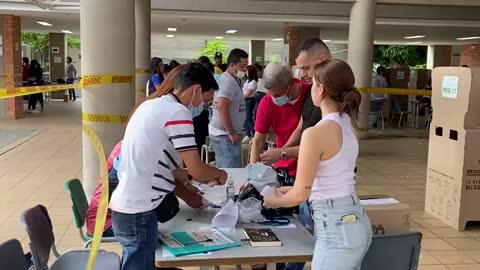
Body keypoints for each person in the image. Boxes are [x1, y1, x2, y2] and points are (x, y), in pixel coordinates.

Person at [110, 62, 228, 270]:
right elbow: (197, 169)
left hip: (126, 210)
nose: (203, 107)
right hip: (138, 213)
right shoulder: (177, 112)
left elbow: (159, 166)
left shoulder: (151, 105)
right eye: (206, 101)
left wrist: (190, 177)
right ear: (196, 90)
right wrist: (219, 174)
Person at [264, 59, 372, 270]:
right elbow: (330, 180)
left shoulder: (315, 133)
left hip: (336, 229)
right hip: (354, 219)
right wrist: (286, 190)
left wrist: (271, 200)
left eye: (313, 83)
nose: (310, 88)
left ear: (321, 89)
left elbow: (301, 195)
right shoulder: (348, 124)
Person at [88, 66, 188, 238]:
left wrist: (190, 179)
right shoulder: (140, 145)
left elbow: (166, 171)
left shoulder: (142, 135)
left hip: (123, 215)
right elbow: (158, 174)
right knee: (168, 233)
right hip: (110, 222)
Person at [258, 38, 331, 270]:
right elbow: (301, 127)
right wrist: (281, 155)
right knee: (298, 236)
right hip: (309, 186)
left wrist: (281, 156)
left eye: (307, 69)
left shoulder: (330, 109)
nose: (305, 76)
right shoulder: (314, 100)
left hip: (327, 200)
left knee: (310, 242)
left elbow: (315, 149)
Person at [250, 62, 308, 179]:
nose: (274, 99)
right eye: (271, 95)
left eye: (278, 94)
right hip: (284, 166)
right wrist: (253, 175)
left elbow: (302, 132)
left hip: (310, 166)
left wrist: (283, 152)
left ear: (291, 84)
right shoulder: (267, 102)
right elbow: (258, 141)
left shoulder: (311, 95)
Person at [209, 48, 249, 168]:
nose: (245, 69)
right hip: (225, 135)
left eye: (246, 66)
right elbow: (222, 107)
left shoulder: (232, 79)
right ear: (232, 65)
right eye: (242, 66)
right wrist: (231, 132)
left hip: (223, 133)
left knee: (224, 169)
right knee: (231, 172)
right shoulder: (228, 81)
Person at [242, 65, 258, 143]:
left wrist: (239, 99)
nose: (245, 72)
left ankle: (254, 135)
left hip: (249, 100)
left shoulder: (253, 82)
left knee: (248, 118)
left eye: (247, 71)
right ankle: (247, 134)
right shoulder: (247, 81)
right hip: (245, 100)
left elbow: (248, 94)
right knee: (246, 118)